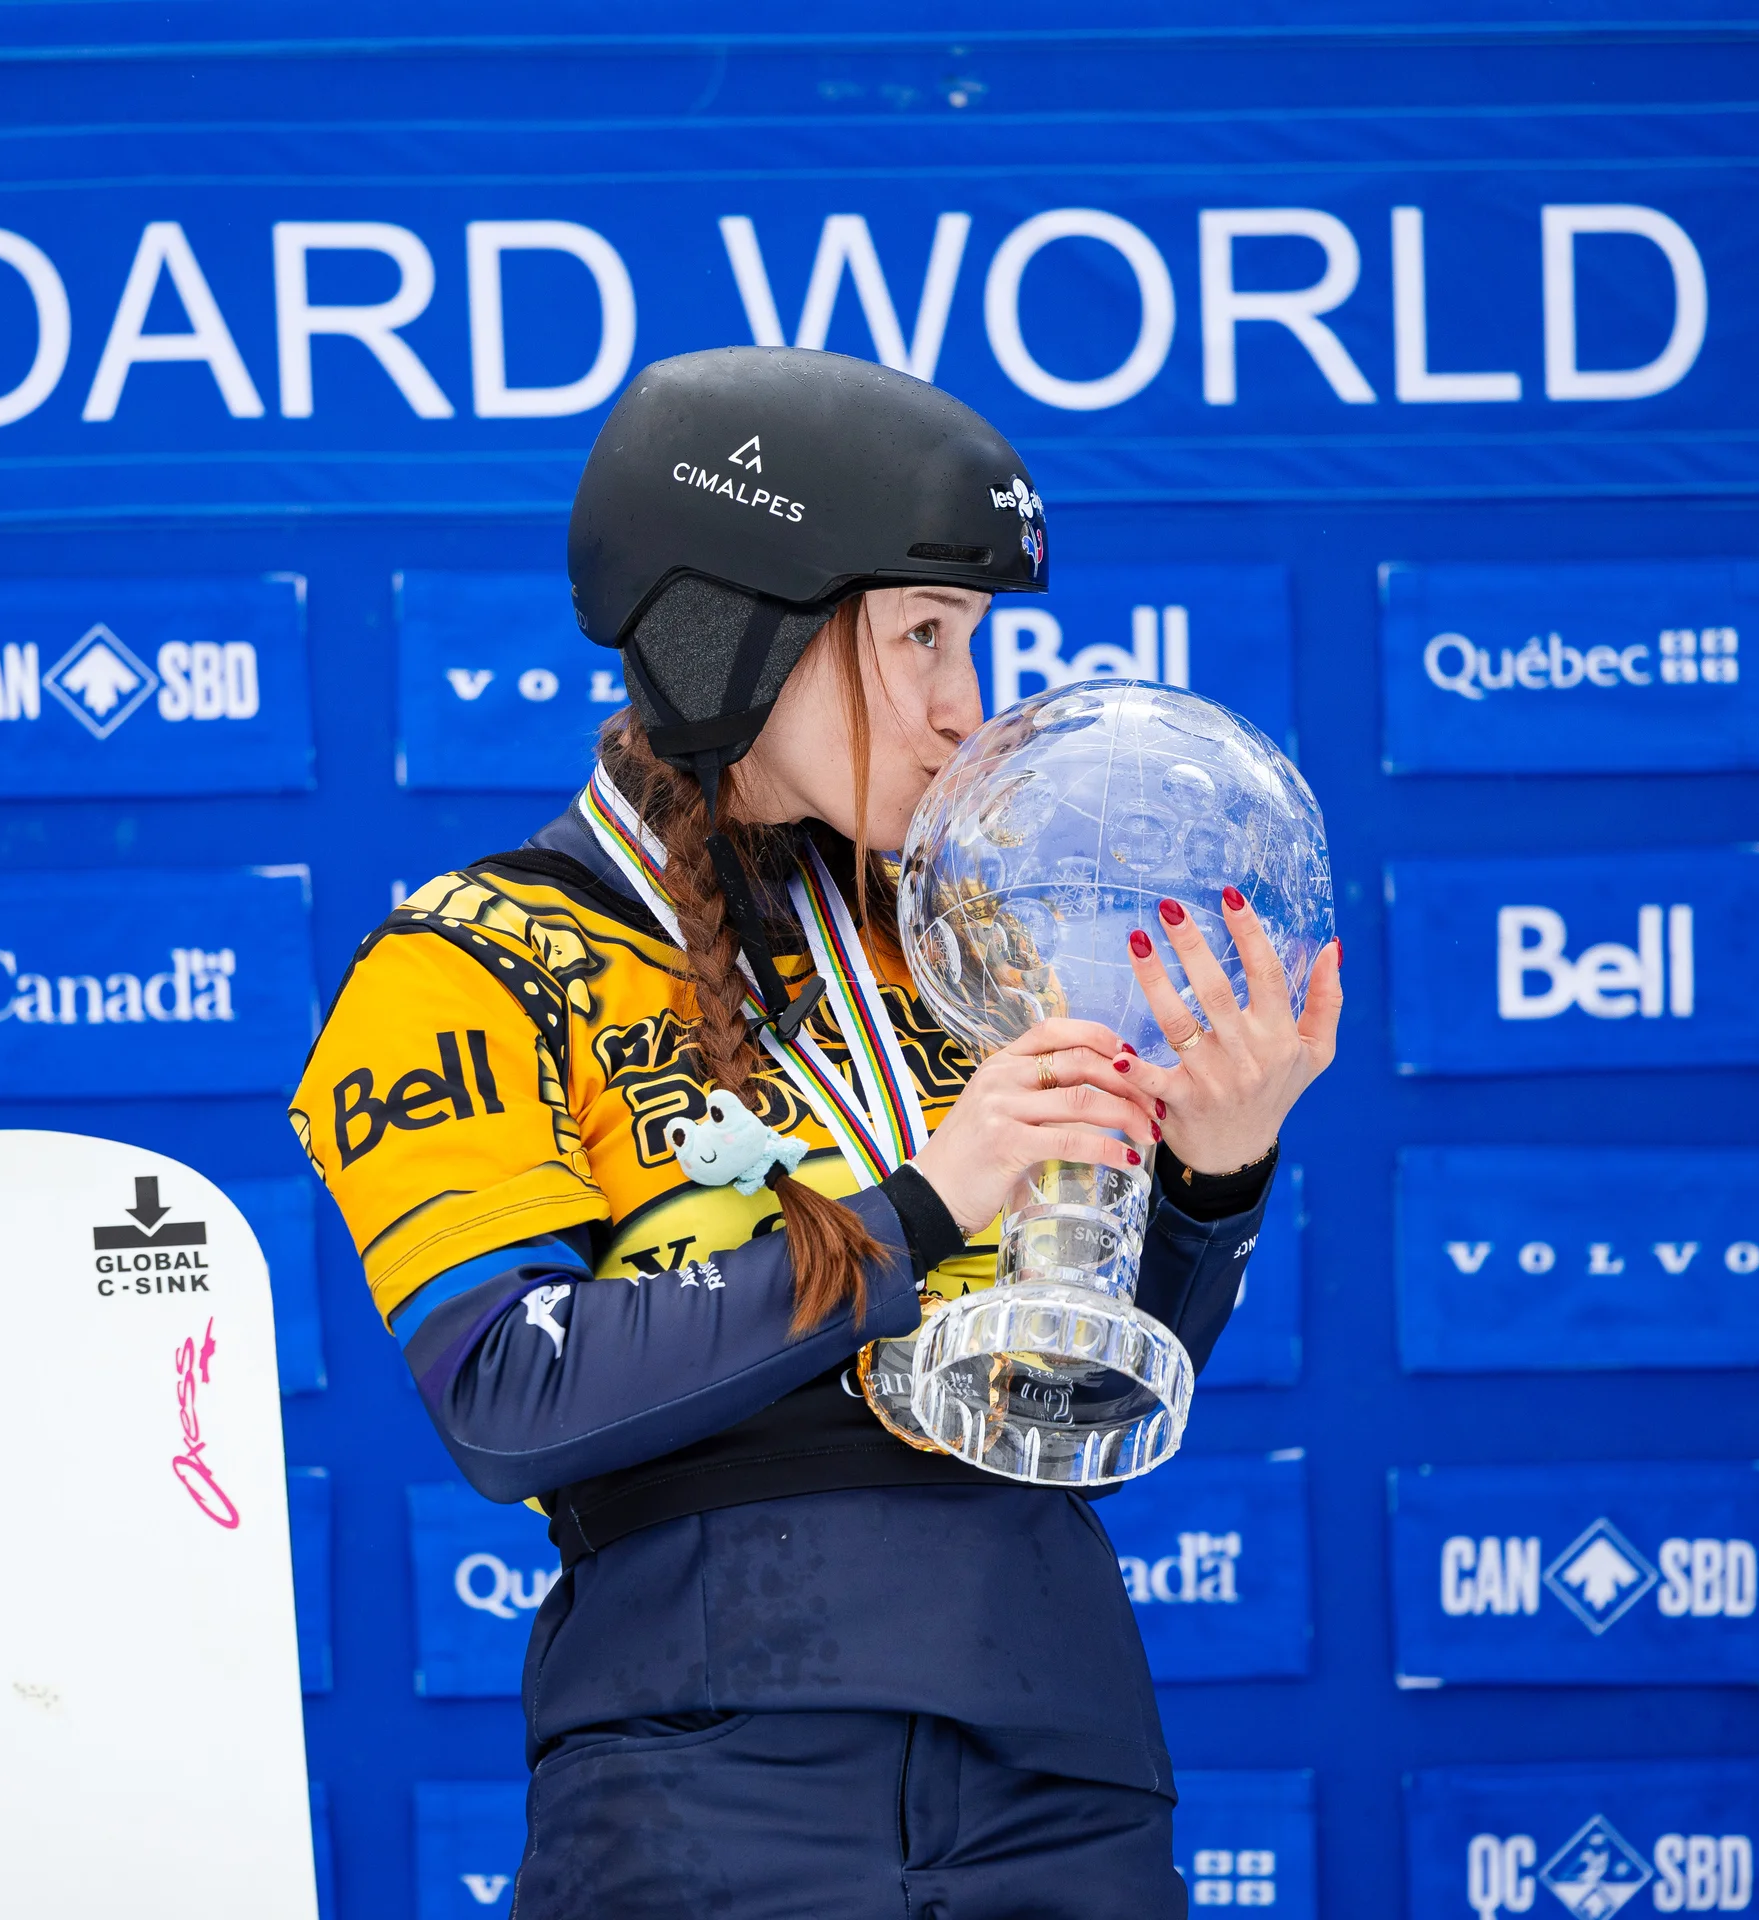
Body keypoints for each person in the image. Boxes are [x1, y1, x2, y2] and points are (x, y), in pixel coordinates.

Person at [288, 347, 1342, 1920]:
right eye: (921, 637)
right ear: (735, 629)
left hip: (1063, 1762)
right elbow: (509, 1399)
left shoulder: (969, 944)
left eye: (970, 643)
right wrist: (918, 1208)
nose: (961, 711)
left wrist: (1217, 1176)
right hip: (711, 1772)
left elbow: (1069, 1398)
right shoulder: (470, 962)